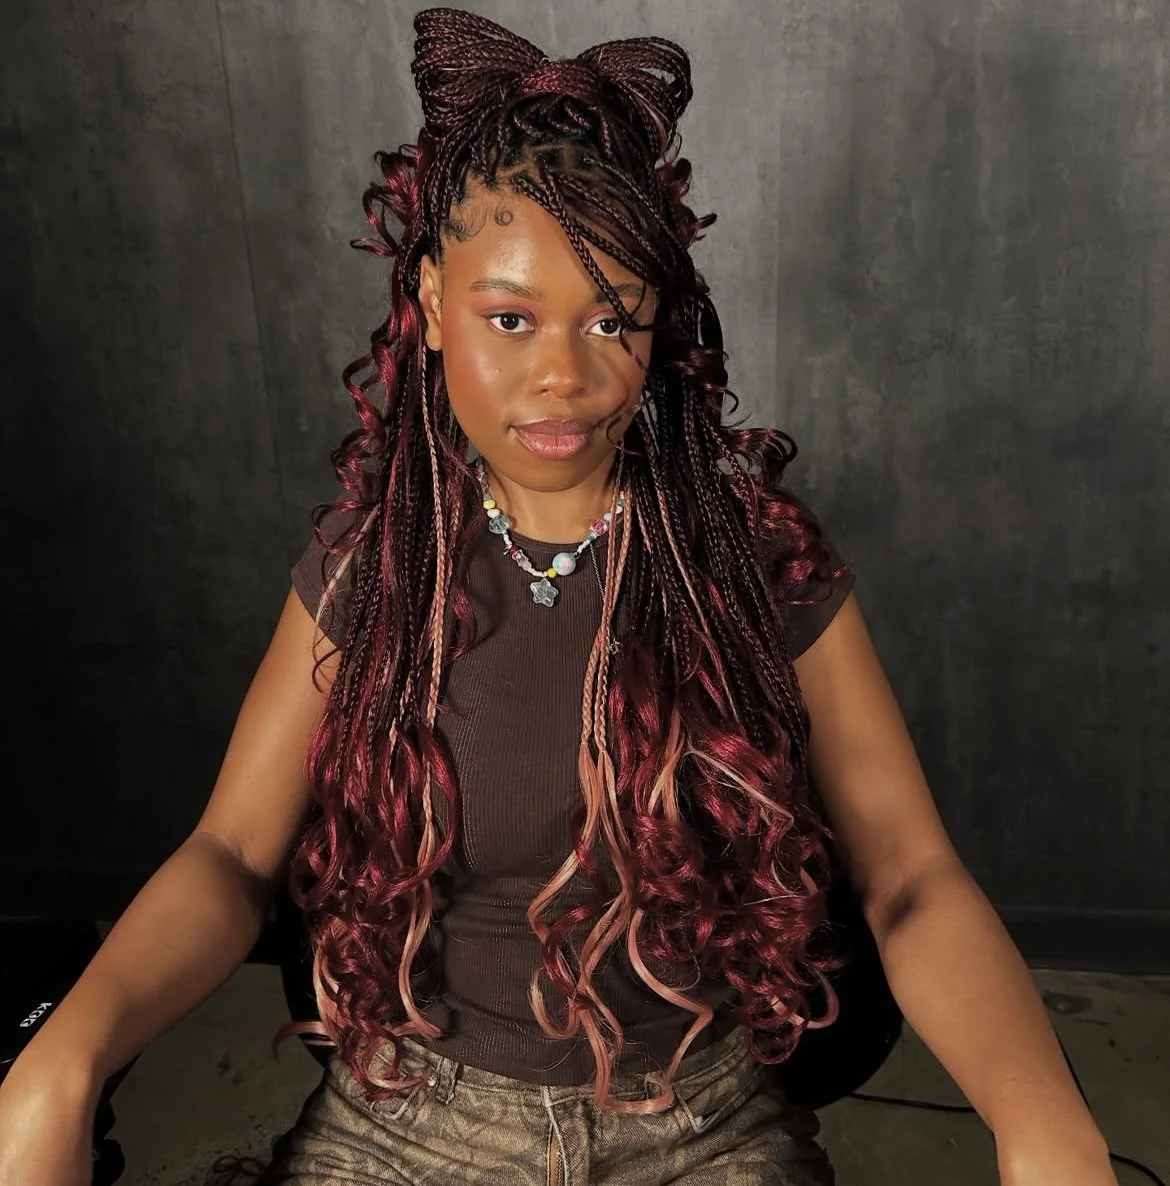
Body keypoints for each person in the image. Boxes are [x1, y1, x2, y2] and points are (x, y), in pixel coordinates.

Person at [0, 8, 1118, 1186]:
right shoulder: (373, 564)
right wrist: (61, 1059)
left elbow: (912, 878)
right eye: (511, 317)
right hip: (416, 1119)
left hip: (701, 1122)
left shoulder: (753, 564)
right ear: (431, 304)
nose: (565, 377)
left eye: (612, 318)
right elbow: (230, 851)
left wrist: (1042, 1118)